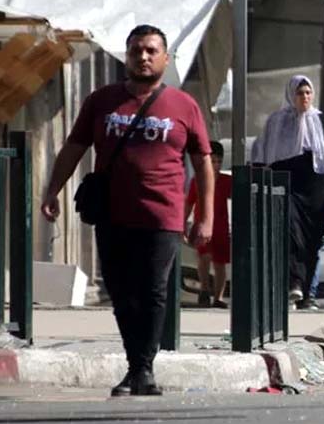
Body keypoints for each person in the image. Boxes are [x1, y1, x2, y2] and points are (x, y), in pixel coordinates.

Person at [41, 24, 214, 396]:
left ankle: (142, 369)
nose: (144, 56)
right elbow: (74, 147)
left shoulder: (183, 106)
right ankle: (137, 366)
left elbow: (203, 162)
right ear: (127, 55)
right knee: (121, 293)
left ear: (166, 58)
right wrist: (52, 189)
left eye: (152, 50)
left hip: (163, 215)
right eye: (136, 50)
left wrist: (205, 216)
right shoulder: (102, 101)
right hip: (112, 214)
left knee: (152, 291)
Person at [252, 75, 324, 310]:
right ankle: (293, 283)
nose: (304, 97)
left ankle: (306, 294)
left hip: (317, 192)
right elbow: (262, 154)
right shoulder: (277, 122)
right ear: (290, 95)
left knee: (312, 243)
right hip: (287, 188)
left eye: (307, 93)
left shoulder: (323, 122)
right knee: (291, 235)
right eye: (299, 93)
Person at [184, 140, 232, 308]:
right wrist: (183, 223)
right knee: (204, 258)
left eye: (219, 161)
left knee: (220, 264)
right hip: (202, 225)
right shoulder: (197, 180)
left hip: (221, 227)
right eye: (213, 161)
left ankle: (218, 297)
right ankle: (204, 288)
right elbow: (189, 204)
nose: (216, 165)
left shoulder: (226, 181)